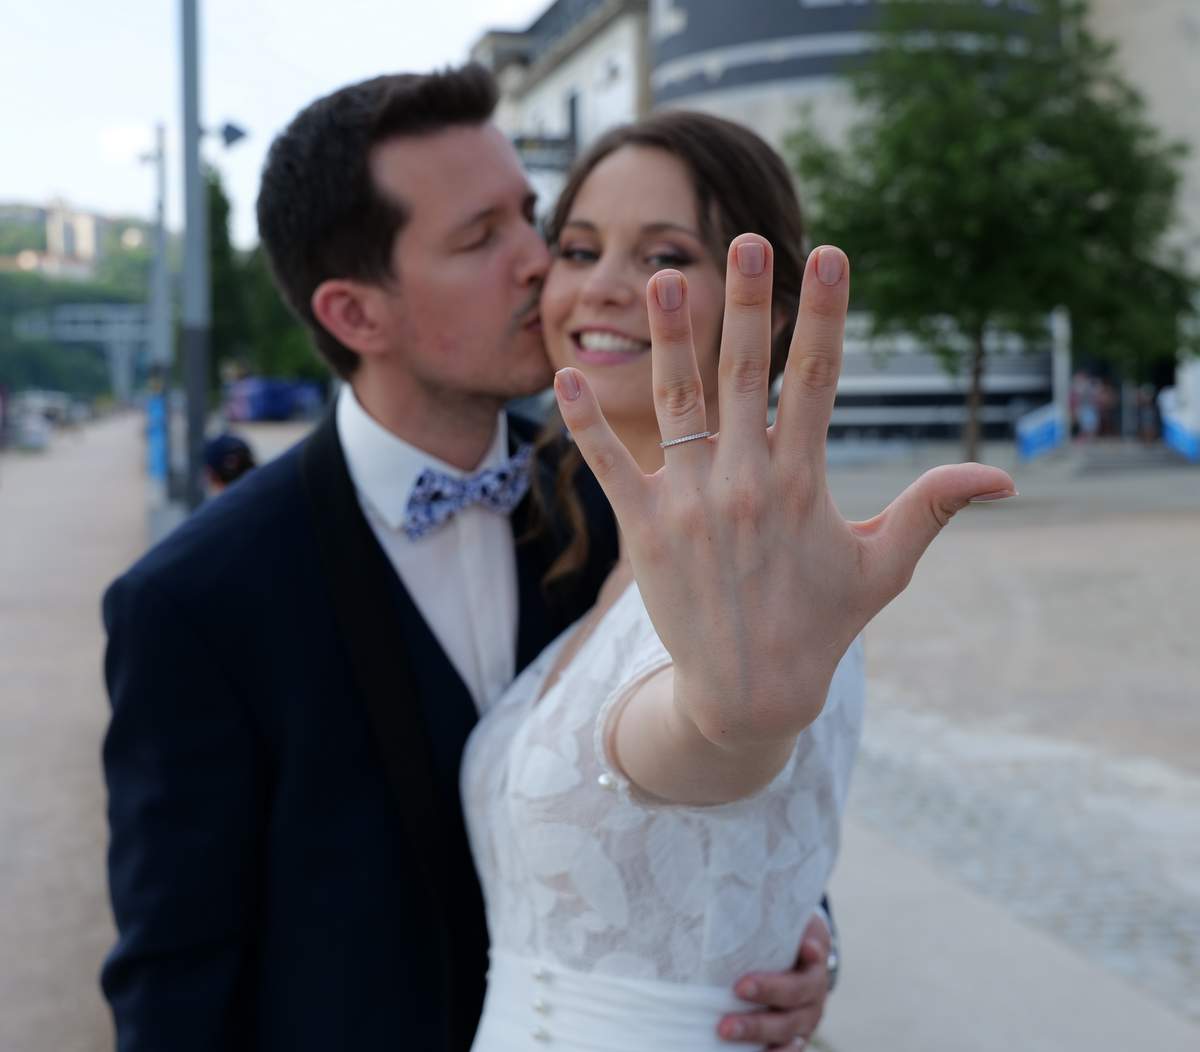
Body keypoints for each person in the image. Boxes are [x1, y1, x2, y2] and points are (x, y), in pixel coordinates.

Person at [100, 67, 843, 1052]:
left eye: (532, 218)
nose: (543, 263)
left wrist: (803, 934)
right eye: (481, 237)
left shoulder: (625, 506)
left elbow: (727, 780)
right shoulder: (193, 601)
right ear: (357, 315)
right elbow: (174, 980)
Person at [459, 112, 1015, 1051]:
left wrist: (737, 717)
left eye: (663, 257)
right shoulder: (589, 547)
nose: (602, 288)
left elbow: (707, 738)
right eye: (581, 248)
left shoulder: (774, 591)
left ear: (771, 310)